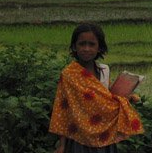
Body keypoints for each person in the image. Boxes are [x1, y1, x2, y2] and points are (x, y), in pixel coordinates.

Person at [50, 23, 143, 153]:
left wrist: (125, 99)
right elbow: (63, 110)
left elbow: (106, 100)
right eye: (82, 44)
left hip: (105, 137)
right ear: (74, 47)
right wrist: (62, 145)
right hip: (80, 139)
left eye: (92, 44)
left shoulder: (104, 70)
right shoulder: (69, 75)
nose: (86, 48)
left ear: (100, 47)